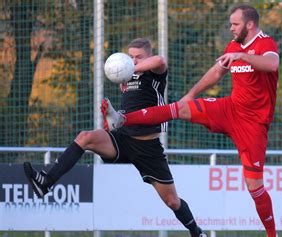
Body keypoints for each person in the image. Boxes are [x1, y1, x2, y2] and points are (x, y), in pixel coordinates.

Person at [102, 5, 278, 237]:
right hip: (230, 109)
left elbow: (272, 64)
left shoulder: (265, 43)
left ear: (250, 24)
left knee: (254, 187)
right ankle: (122, 119)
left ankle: (273, 235)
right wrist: (191, 94)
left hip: (253, 124)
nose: (231, 28)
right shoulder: (233, 46)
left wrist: (241, 56)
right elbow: (216, 72)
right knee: (180, 108)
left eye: (235, 24)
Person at [23, 38, 207, 237]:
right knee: (85, 137)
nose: (133, 61)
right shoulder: (125, 79)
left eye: (139, 57)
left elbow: (160, 61)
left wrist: (132, 68)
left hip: (148, 148)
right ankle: (46, 182)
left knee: (172, 201)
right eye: (130, 57)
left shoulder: (154, 75)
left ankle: (197, 232)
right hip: (122, 139)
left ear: (147, 56)